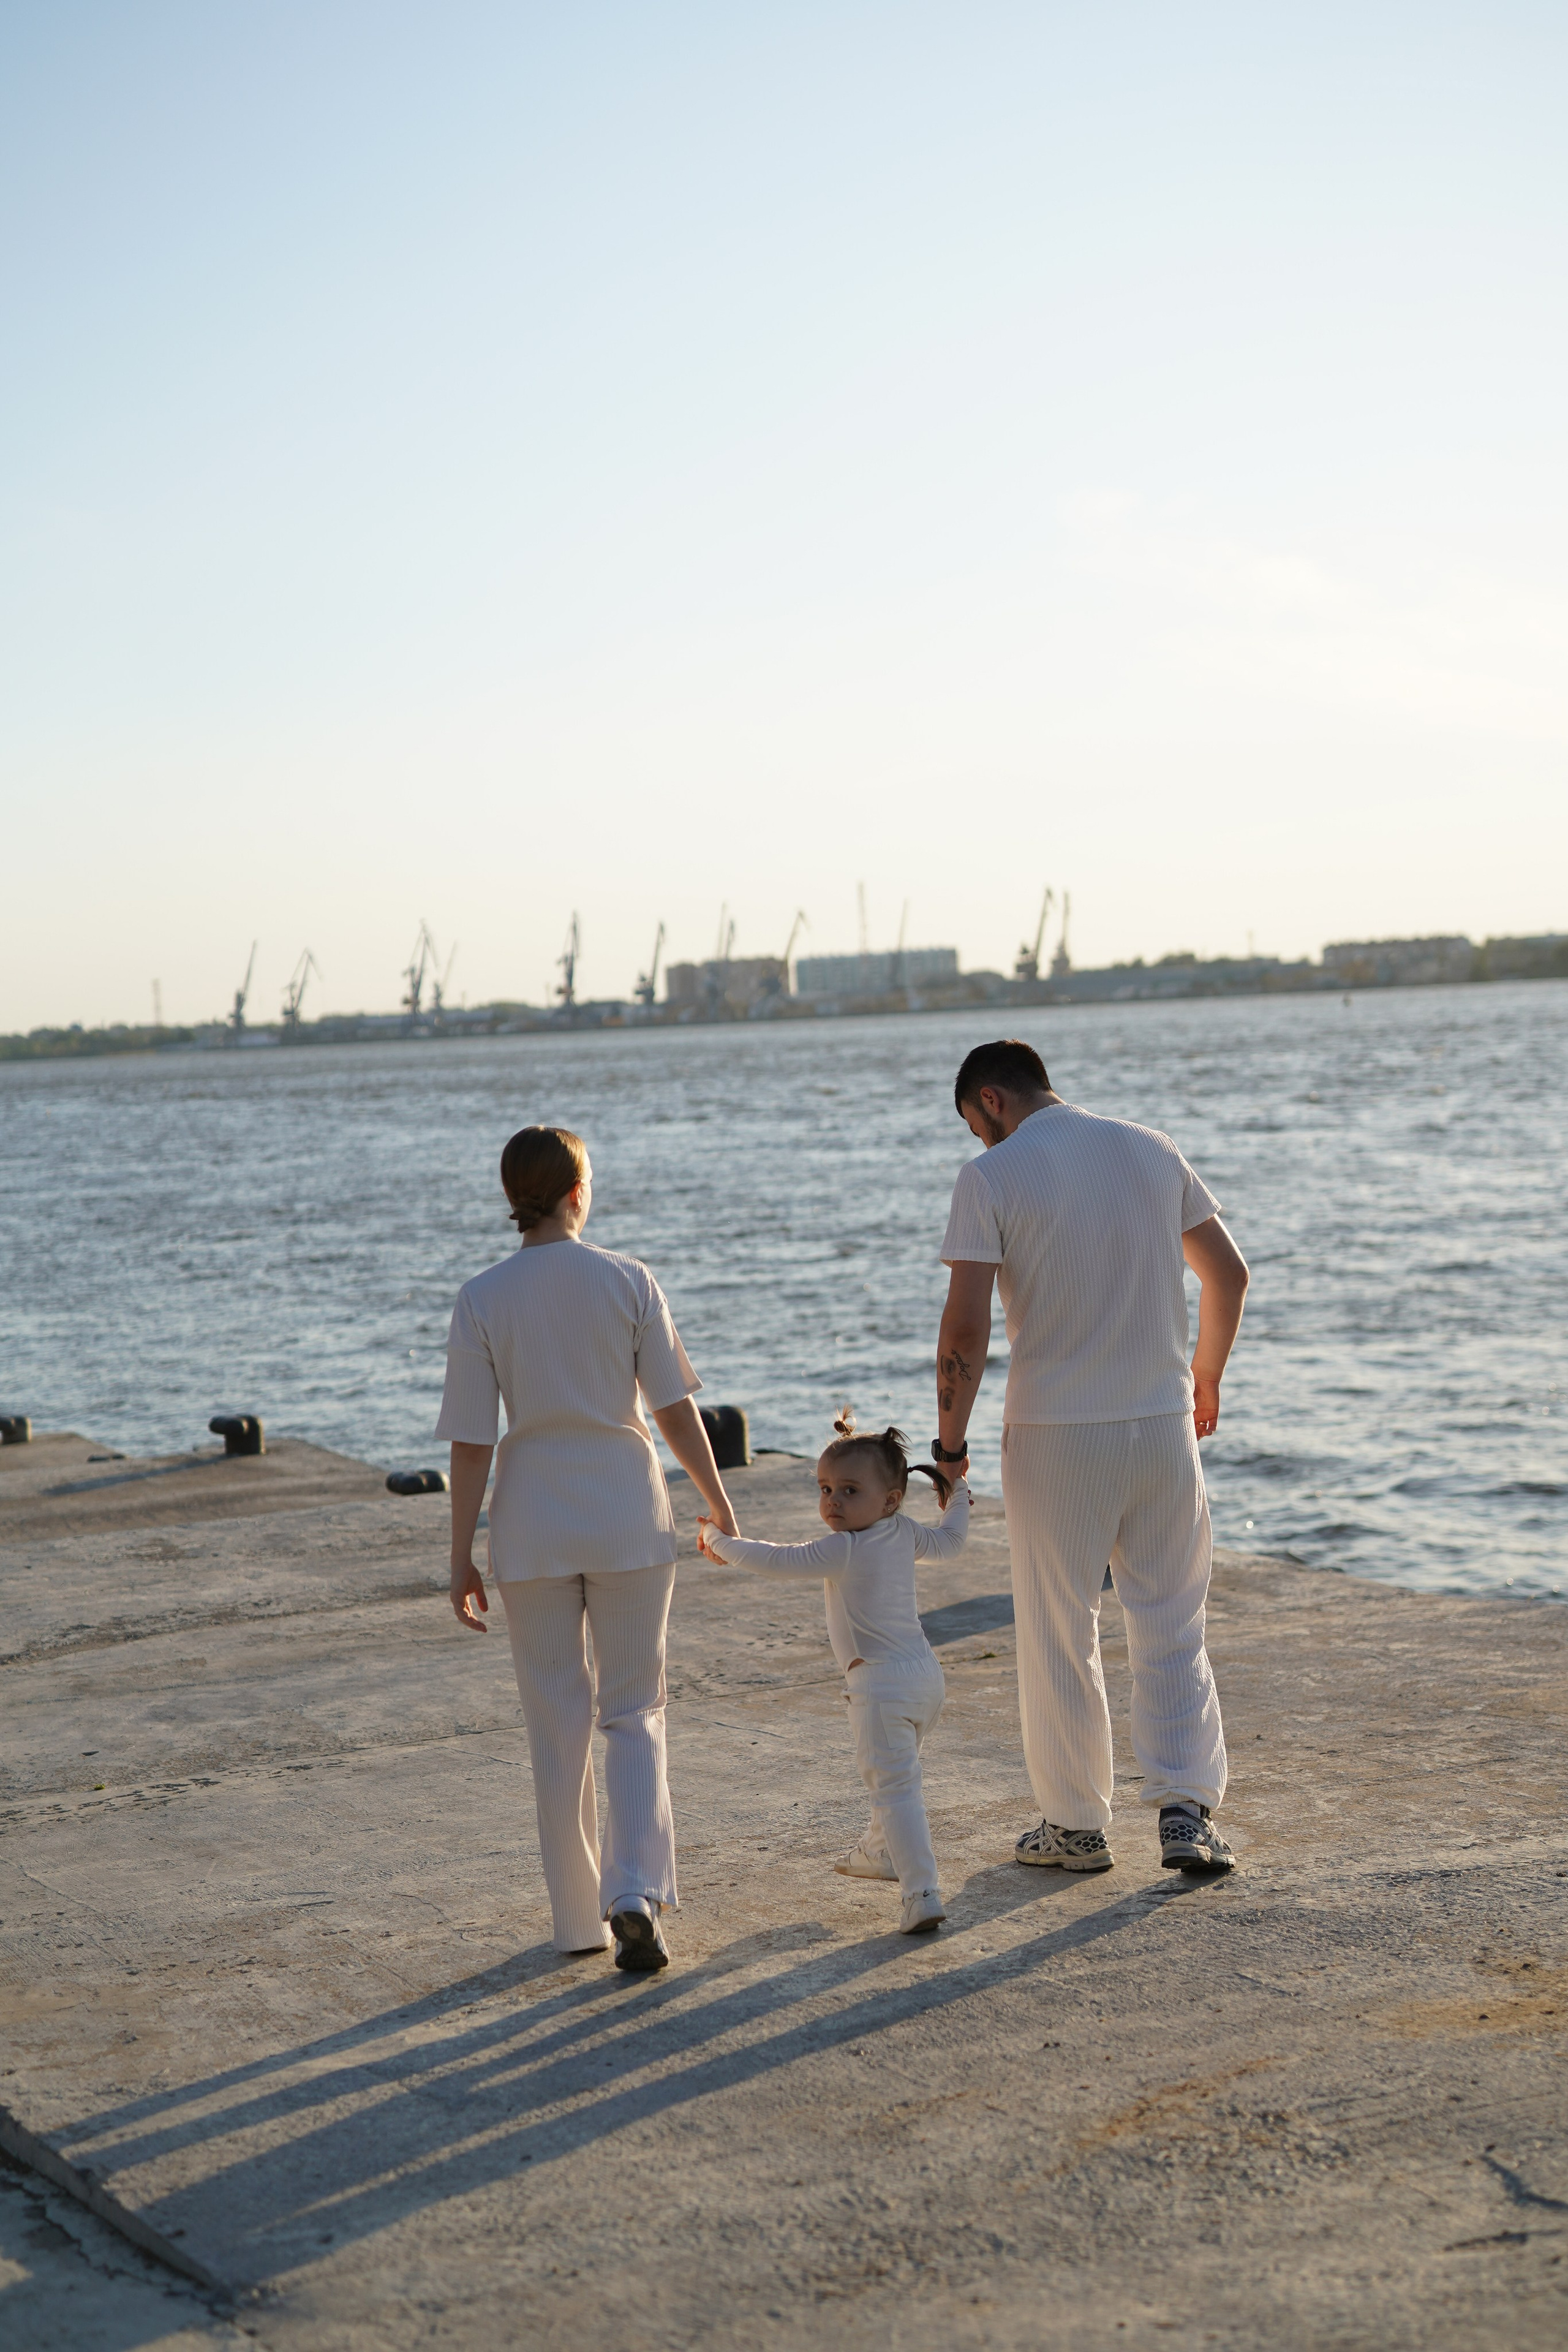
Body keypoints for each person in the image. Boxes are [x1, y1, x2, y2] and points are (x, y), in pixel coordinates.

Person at [933, 1039, 1250, 1875]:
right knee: (1172, 1617)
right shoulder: (1149, 1147)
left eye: (976, 1126)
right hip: (1160, 1422)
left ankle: (1075, 1826)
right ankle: (1188, 1813)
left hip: (1055, 1434)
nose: (980, 1144)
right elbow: (1229, 1273)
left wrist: (950, 1444)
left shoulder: (992, 1178)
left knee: (1058, 1625)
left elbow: (965, 1326)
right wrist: (1205, 1377)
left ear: (991, 1099)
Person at [437, 1124, 737, 1971]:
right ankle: (634, 1888)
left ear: (513, 1197)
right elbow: (674, 1407)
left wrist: (460, 1552)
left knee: (556, 1721)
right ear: (579, 1191)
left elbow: (469, 1439)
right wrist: (718, 1499)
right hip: (627, 1518)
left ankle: (577, 1921)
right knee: (635, 1708)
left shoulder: (482, 1296)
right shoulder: (628, 1279)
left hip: (530, 1524)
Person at [698, 1415, 969, 1934]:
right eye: (825, 1489)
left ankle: (922, 1892)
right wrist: (958, 1492)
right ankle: (879, 1849)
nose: (833, 1502)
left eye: (849, 1490)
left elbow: (775, 1559)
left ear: (890, 1499)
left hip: (880, 1688)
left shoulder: (842, 1547)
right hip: (925, 1680)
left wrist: (717, 1537)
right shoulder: (905, 1532)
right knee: (896, 1776)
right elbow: (952, 1542)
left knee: (896, 1788)